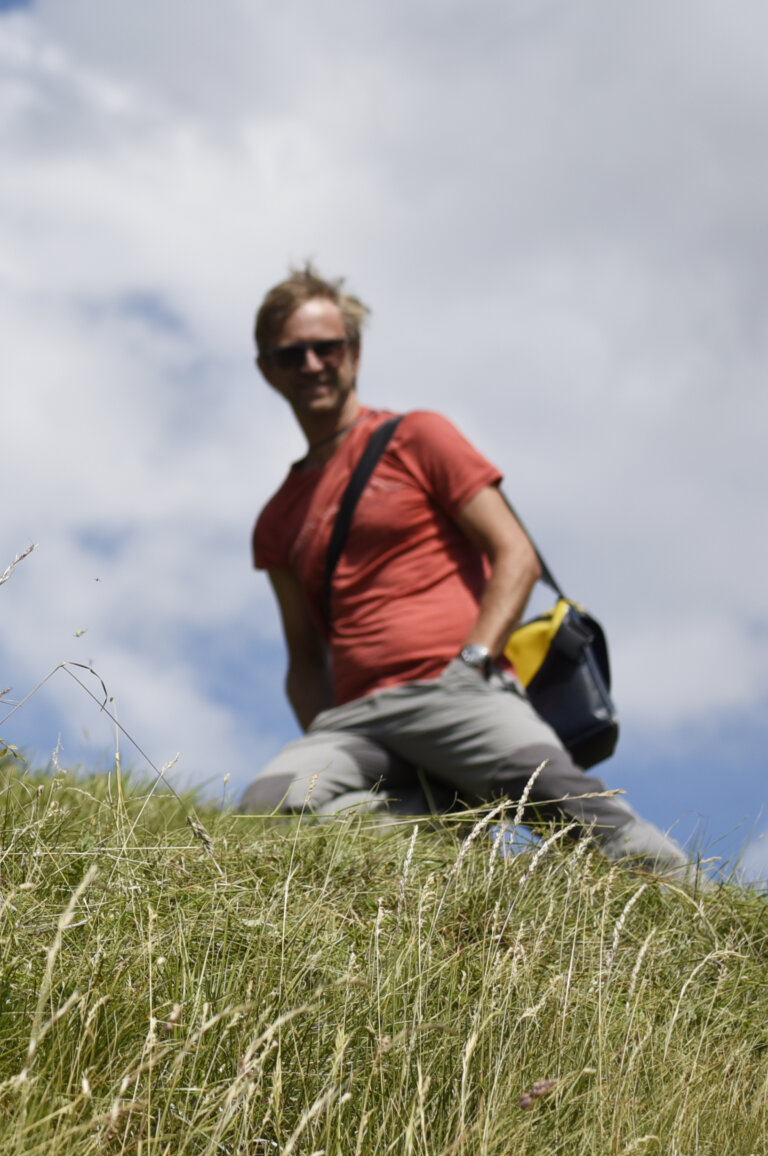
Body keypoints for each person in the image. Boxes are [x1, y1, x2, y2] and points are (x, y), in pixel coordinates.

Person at [236, 266, 688, 874]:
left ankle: (701, 910)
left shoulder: (417, 437)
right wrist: (323, 729)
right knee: (269, 809)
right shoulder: (276, 518)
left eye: (328, 348)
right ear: (267, 369)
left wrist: (472, 664)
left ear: (355, 353)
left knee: (566, 802)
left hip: (456, 690)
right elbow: (302, 654)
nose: (312, 364)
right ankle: (445, 862)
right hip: (358, 720)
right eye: (292, 354)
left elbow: (516, 554)